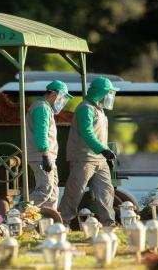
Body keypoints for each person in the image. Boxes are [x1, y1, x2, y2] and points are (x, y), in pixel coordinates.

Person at [59, 77, 119, 227]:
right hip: (83, 158)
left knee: (106, 192)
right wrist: (104, 150)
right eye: (109, 93)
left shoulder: (99, 109)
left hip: (99, 159)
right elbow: (87, 133)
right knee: (75, 193)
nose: (110, 96)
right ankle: (62, 224)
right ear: (101, 93)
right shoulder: (85, 108)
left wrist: (104, 152)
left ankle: (109, 224)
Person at [26, 80, 73, 209]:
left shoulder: (44, 107)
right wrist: (45, 156)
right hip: (41, 156)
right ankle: (14, 215)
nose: (62, 102)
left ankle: (48, 224)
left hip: (46, 156)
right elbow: (41, 133)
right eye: (62, 97)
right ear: (53, 94)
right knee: (44, 190)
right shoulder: (42, 108)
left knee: (52, 193)